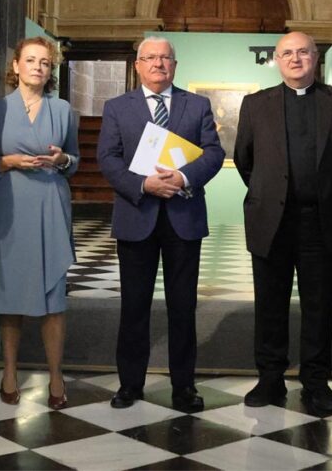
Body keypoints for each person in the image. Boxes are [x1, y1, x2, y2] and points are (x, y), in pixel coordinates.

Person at [96, 37, 224, 412]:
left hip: (183, 218)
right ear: (137, 65)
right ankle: (130, 384)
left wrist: (183, 178)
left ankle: (184, 387)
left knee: (183, 308)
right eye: (150, 58)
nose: (158, 64)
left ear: (175, 64)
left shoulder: (196, 104)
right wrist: (143, 184)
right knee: (134, 307)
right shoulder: (117, 107)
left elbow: (214, 152)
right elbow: (108, 156)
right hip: (137, 217)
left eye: (165, 58)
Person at [233, 32, 332, 416]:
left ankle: (316, 383)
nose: (296, 58)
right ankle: (270, 378)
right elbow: (244, 159)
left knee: (319, 306)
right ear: (277, 60)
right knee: (269, 303)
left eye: (303, 51)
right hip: (272, 219)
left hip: (322, 221)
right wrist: (271, 194)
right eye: (287, 53)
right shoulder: (255, 104)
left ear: (315, 57)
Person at [0, 37, 78, 410]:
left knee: (54, 296)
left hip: (51, 203)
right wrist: (7, 162)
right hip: (8, 203)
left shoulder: (64, 109)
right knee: (11, 294)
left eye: (45, 62)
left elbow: (76, 161)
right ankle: (9, 371)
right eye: (31, 60)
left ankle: (56, 375)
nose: (38, 67)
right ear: (16, 66)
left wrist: (61, 160)